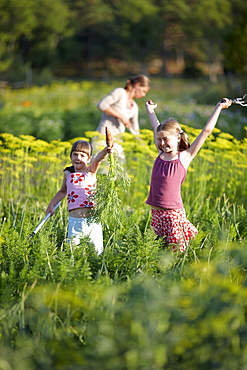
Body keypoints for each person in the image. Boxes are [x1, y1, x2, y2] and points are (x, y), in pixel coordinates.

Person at [145, 98, 232, 252]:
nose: (162, 143)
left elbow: (206, 131)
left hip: (172, 213)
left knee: (176, 251)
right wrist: (150, 110)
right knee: (156, 250)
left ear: (178, 137)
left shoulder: (184, 157)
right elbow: (154, 126)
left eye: (166, 139)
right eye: (159, 139)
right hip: (156, 213)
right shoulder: (160, 154)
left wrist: (218, 107)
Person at [46, 130, 114, 254]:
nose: (78, 158)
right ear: (71, 156)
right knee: (72, 251)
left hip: (91, 221)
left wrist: (106, 150)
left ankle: (97, 270)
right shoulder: (68, 174)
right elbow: (62, 191)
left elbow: (98, 160)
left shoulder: (90, 172)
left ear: (88, 159)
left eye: (82, 156)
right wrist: (51, 204)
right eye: (75, 154)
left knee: (96, 250)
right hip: (74, 220)